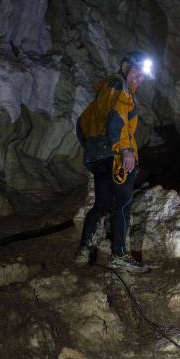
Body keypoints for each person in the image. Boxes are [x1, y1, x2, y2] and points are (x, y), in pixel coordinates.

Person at [74, 50, 152, 272]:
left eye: (142, 75)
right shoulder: (121, 88)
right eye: (136, 72)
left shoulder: (104, 91)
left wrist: (93, 148)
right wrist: (125, 150)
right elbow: (117, 120)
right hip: (116, 155)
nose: (140, 78)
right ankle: (119, 255)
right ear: (125, 67)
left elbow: (82, 125)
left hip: (98, 156)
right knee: (123, 204)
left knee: (101, 204)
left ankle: (83, 249)